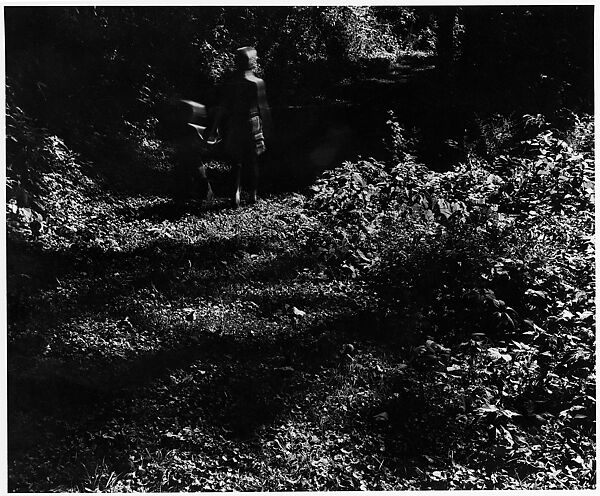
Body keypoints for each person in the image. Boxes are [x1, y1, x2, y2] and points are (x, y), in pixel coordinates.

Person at [207, 46, 272, 207]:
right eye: (255, 59)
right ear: (251, 62)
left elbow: (222, 107)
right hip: (252, 124)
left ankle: (235, 193)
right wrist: (269, 128)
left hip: (235, 124)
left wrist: (215, 128)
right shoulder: (257, 83)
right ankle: (252, 194)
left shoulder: (230, 83)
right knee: (253, 160)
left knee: (236, 161)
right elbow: (263, 108)